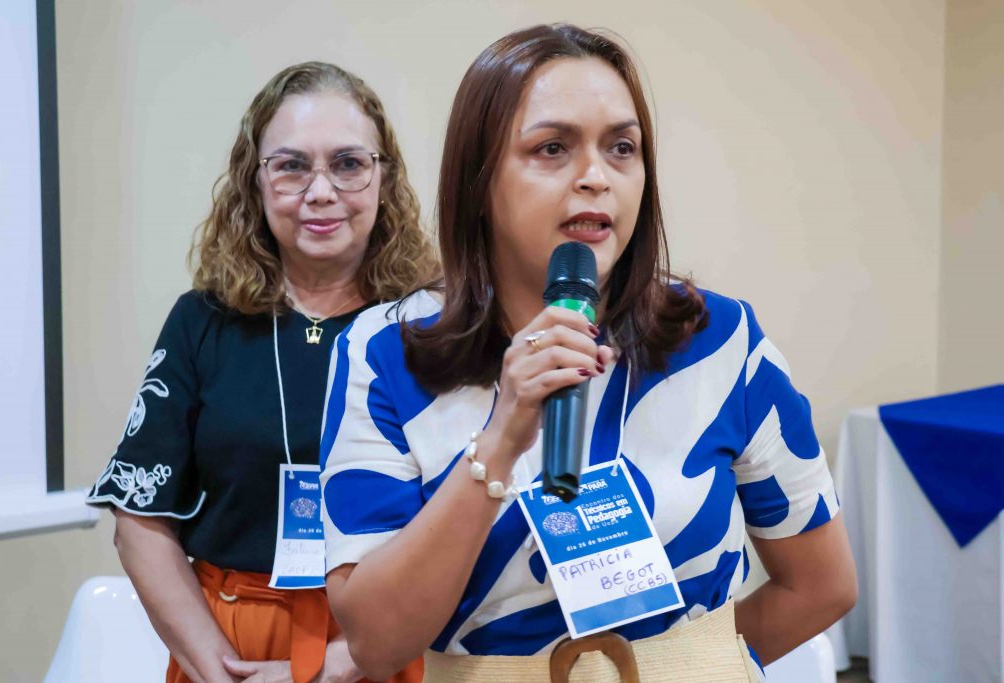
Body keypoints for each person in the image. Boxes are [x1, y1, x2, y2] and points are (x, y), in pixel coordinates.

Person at [318, 25, 857, 682]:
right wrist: (500, 440)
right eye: (553, 148)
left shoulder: (721, 338)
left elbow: (821, 586)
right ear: (477, 181)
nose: (596, 177)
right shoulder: (385, 352)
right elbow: (376, 643)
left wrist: (687, 665)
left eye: (622, 148)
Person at [86, 61, 437, 683]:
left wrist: (335, 667)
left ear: (383, 177)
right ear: (256, 181)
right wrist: (218, 670)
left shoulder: (433, 327)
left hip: (383, 642)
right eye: (292, 166)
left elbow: (464, 521)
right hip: (229, 647)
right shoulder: (201, 321)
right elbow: (139, 522)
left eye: (348, 163)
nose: (320, 191)